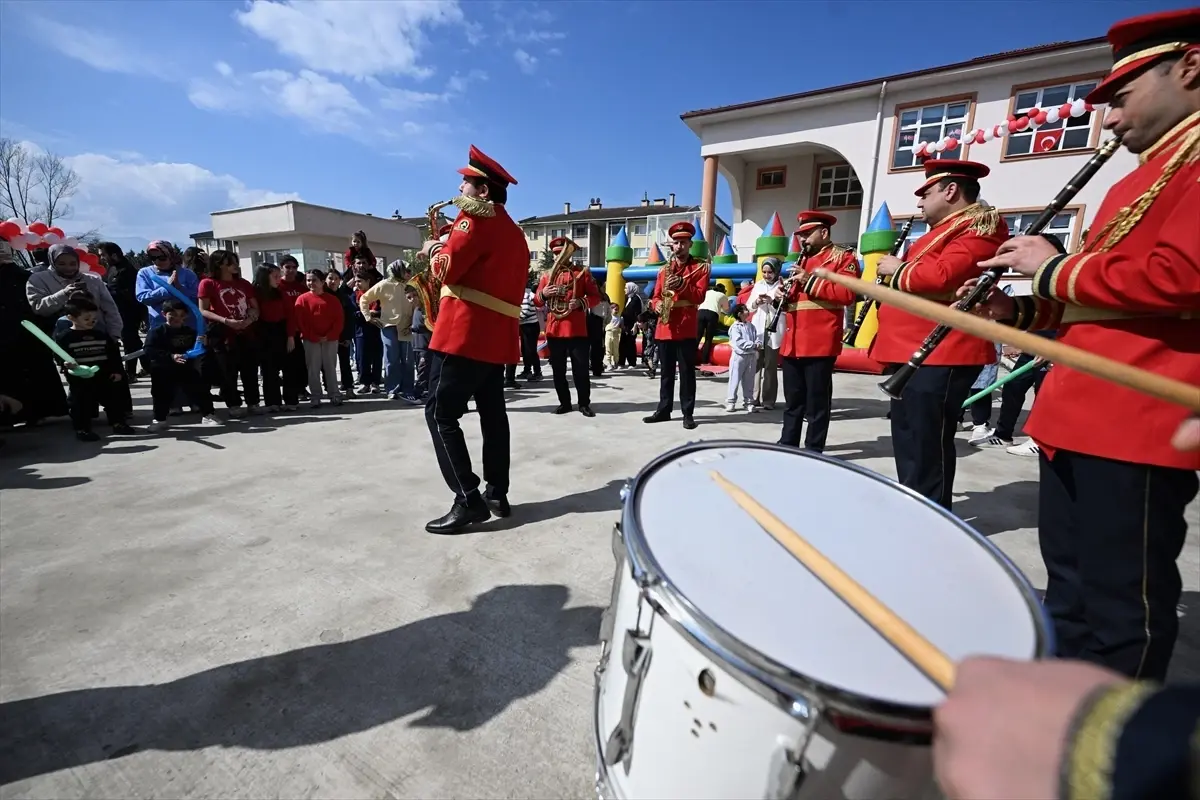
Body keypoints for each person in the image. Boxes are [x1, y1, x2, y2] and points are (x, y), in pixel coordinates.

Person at [967, 7, 1200, 682]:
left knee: (1121, 613)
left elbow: (1182, 277)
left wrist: (1049, 266)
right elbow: (1097, 301)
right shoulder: (1136, 177)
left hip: (1140, 421)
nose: (1112, 118)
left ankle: (1115, 757)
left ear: (1188, 66)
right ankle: (1062, 725)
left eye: (1122, 98)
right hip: (1076, 413)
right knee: (1067, 595)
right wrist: (1018, 306)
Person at [869, 159, 1008, 510]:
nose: (919, 203)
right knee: (909, 438)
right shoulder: (942, 232)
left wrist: (898, 269)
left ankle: (932, 516)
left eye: (925, 193)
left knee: (928, 443)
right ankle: (915, 506)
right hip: (917, 351)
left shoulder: (979, 225)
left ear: (950, 191)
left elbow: (945, 277)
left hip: (944, 350)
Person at [421, 145, 528, 534]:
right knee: (493, 416)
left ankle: (468, 498)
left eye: (465, 182)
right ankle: (497, 492)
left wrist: (434, 248)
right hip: (494, 339)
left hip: (462, 334)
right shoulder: (515, 233)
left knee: (440, 413)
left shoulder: (472, 221)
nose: (460, 189)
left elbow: (445, 271)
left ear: (483, 192)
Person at [775, 211, 860, 452]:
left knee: (817, 402)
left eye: (807, 234)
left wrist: (808, 280)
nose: (803, 240)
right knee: (793, 400)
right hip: (793, 340)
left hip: (820, 340)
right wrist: (782, 295)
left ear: (824, 233)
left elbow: (847, 294)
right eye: (801, 235)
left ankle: (814, 448)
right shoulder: (801, 261)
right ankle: (788, 442)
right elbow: (797, 300)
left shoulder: (842, 257)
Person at [644, 221, 710, 430]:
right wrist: (657, 306)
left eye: (683, 242)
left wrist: (682, 285)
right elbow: (654, 296)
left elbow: (699, 297)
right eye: (675, 243)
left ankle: (687, 413)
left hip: (686, 326)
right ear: (671, 246)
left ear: (690, 244)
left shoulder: (700, 267)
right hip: (665, 327)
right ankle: (664, 410)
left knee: (687, 373)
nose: (679, 246)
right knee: (665, 373)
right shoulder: (664, 270)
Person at [0, 235, 68, 423]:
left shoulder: (25, 277)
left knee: (35, 373)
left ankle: (44, 412)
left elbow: (40, 306)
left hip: (28, 333)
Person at [534, 236, 601, 417]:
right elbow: (537, 302)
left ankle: (584, 403)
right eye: (556, 254)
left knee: (581, 370)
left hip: (576, 329)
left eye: (561, 253)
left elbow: (596, 296)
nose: (558, 257)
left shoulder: (582, 273)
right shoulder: (547, 276)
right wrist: (544, 294)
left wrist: (580, 302)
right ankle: (564, 402)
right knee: (558, 371)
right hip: (554, 330)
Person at [54, 296, 135, 441]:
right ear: (71, 317)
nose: (92, 321)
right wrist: (65, 364)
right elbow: (59, 355)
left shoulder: (101, 335)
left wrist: (117, 371)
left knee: (113, 401)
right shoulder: (64, 337)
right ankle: (82, 429)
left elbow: (113, 355)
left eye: (94, 318)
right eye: (86, 318)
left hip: (104, 375)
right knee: (81, 404)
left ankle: (118, 423)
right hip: (80, 378)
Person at [197, 249, 260, 417]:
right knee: (227, 371)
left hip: (246, 331)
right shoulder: (208, 283)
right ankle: (233, 403)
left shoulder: (244, 283)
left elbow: (254, 307)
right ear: (219, 264)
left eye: (235, 261)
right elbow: (203, 310)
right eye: (230, 262)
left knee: (250, 369)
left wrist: (250, 319)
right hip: (222, 332)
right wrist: (227, 321)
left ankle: (253, 402)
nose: (235, 265)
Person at [144, 299, 221, 431]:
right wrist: (171, 356)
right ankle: (159, 419)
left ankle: (208, 414)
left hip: (186, 368)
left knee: (200, 390)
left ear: (186, 316)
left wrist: (204, 343)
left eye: (181, 315)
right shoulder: (157, 332)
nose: (177, 319)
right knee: (161, 394)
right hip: (163, 370)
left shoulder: (190, 332)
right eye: (172, 315)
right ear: (164, 314)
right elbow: (150, 350)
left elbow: (199, 350)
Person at [27, 243, 124, 342]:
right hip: (60, 343)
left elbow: (110, 309)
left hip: (98, 339)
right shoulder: (38, 279)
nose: (68, 268)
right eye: (61, 264)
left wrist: (114, 335)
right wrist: (63, 294)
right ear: (52, 262)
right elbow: (38, 307)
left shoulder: (93, 280)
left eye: (73, 264)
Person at [360, 260, 416, 401]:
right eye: (406, 270)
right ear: (397, 270)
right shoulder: (384, 285)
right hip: (388, 327)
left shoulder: (412, 285)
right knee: (391, 359)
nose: (409, 274)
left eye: (410, 271)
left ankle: (408, 388)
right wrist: (368, 317)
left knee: (408, 360)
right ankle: (392, 389)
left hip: (406, 326)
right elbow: (364, 299)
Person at [293, 269, 345, 408]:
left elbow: (339, 320)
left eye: (314, 280)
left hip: (330, 339)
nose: (311, 283)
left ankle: (334, 393)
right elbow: (300, 321)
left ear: (322, 282)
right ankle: (316, 396)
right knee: (313, 368)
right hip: (311, 339)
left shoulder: (332, 300)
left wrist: (329, 335)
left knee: (330, 367)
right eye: (308, 280)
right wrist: (312, 335)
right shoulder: (302, 299)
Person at [253, 264, 298, 412]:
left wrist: (291, 336)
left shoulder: (281, 293)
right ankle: (272, 402)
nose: (279, 279)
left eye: (279, 276)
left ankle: (291, 400)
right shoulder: (256, 294)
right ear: (264, 277)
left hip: (282, 331)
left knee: (290, 369)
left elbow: (291, 315)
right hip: (264, 333)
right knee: (269, 370)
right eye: (275, 276)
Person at [99, 243, 146, 380]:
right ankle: (147, 365)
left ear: (114, 255)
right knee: (134, 342)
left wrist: (109, 291)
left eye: (103, 255)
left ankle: (130, 372)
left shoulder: (127, 271)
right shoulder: (112, 269)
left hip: (130, 312)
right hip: (117, 312)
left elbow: (130, 294)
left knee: (130, 342)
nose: (101, 258)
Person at [135, 241, 200, 331]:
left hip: (187, 326)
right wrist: (166, 289)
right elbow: (142, 297)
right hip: (160, 326)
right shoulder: (145, 273)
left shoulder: (187, 274)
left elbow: (197, 298)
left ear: (170, 255)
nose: (157, 261)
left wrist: (179, 288)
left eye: (162, 257)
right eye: (153, 258)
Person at [748, 257, 785, 409]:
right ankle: (753, 398)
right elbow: (749, 306)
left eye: (770, 272)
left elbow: (786, 307)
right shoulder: (758, 285)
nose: (767, 275)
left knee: (770, 366)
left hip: (774, 329)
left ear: (776, 272)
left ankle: (768, 400)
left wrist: (772, 302)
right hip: (758, 329)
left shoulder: (783, 285)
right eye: (764, 272)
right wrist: (757, 302)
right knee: (755, 364)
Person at [277, 256, 310, 401]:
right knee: (287, 365)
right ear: (281, 268)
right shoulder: (278, 286)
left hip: (300, 331)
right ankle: (289, 394)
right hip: (282, 331)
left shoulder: (301, 288)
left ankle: (301, 389)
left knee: (301, 363)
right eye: (287, 267)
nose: (291, 270)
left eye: (294, 267)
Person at [351, 258, 384, 393]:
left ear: (368, 282)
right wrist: (369, 314)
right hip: (361, 331)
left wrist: (371, 313)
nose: (357, 284)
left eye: (360, 281)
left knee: (376, 357)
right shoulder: (354, 296)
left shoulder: (377, 296)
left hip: (376, 330)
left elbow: (381, 311)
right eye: (356, 281)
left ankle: (376, 382)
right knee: (362, 358)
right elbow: (355, 313)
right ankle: (365, 382)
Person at [324, 268, 358, 397]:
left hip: (342, 336)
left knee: (345, 363)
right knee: (327, 365)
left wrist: (348, 336)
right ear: (325, 280)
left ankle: (348, 387)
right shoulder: (321, 296)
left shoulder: (344, 297)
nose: (333, 281)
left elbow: (349, 319)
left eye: (336, 279)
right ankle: (330, 389)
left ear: (340, 281)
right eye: (330, 278)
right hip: (326, 337)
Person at [724, 303, 757, 413]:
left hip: (751, 356)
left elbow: (756, 338)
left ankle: (748, 402)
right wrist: (752, 345)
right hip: (739, 356)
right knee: (734, 379)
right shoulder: (735, 327)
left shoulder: (751, 326)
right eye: (745, 310)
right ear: (739, 314)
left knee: (749, 380)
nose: (748, 311)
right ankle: (731, 402)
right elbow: (739, 342)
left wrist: (758, 343)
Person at [407, 283, 431, 400]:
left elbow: (428, 325)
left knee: (423, 371)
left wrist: (412, 327)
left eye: (414, 296)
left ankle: (416, 393)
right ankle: (425, 390)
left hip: (425, 346)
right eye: (409, 297)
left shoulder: (426, 310)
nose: (412, 300)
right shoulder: (416, 309)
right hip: (416, 345)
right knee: (420, 369)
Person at [517, 282, 543, 381]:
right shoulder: (522, 294)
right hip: (524, 326)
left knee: (531, 350)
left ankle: (537, 372)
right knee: (525, 350)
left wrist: (514, 317)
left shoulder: (524, 295)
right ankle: (527, 370)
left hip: (530, 326)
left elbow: (524, 312)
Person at [696, 284, 728, 365]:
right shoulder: (723, 295)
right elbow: (726, 309)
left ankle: (691, 359)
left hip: (700, 312)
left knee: (697, 337)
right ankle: (704, 360)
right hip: (712, 314)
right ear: (723, 290)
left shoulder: (707, 292)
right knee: (708, 338)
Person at [618, 281, 642, 369]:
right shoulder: (627, 298)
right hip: (625, 325)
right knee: (623, 343)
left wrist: (635, 325)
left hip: (632, 325)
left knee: (630, 344)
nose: (624, 290)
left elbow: (637, 313)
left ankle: (632, 363)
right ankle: (621, 362)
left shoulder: (636, 299)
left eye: (626, 288)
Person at [587, 288, 608, 377]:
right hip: (599, 323)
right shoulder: (605, 299)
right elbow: (608, 315)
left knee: (590, 347)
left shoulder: (590, 299)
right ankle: (597, 368)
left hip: (591, 321)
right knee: (598, 347)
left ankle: (592, 366)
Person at [603, 302, 622, 369]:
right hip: (609, 333)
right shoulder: (609, 317)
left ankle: (616, 362)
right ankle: (609, 363)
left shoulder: (619, 317)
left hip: (616, 334)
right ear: (611, 309)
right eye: (615, 309)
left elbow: (620, 325)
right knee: (608, 349)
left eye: (617, 309)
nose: (616, 311)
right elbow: (604, 323)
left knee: (616, 350)